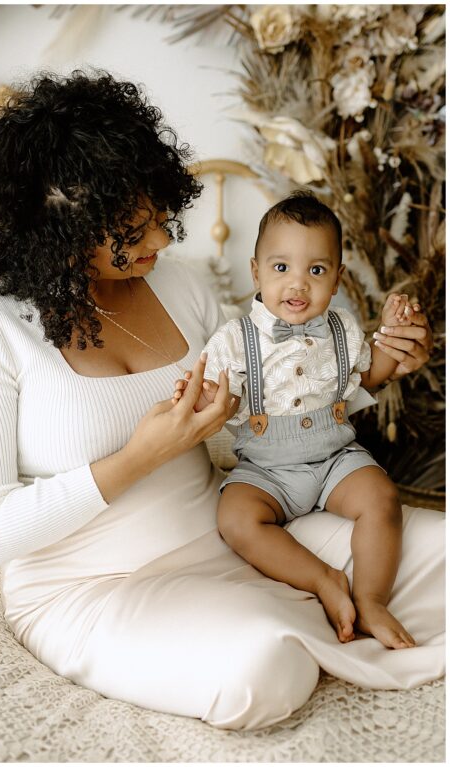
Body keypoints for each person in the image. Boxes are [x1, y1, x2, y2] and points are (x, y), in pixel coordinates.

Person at [0, 70, 442, 730]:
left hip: (232, 535)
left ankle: (313, 599)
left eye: (161, 217)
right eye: (135, 227)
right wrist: (139, 457)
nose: (162, 241)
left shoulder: (181, 287)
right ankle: (297, 610)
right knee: (261, 666)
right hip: (93, 587)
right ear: (61, 222)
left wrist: (375, 373)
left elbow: (252, 427)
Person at [176, 193, 416, 650]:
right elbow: (216, 394)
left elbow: (371, 373)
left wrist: (389, 332)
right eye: (281, 268)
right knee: (236, 519)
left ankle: (371, 598)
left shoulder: (342, 328)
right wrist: (206, 395)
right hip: (267, 469)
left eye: (317, 270)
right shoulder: (234, 337)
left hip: (335, 458)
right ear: (256, 273)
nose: (298, 285)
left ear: (338, 277)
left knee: (382, 497)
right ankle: (323, 579)